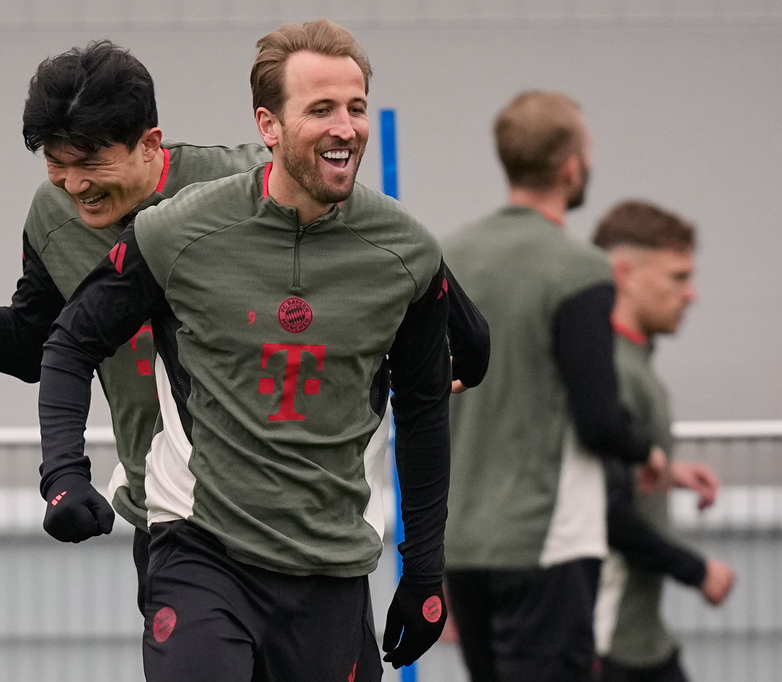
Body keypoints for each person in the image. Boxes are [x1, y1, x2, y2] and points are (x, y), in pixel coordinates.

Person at [37, 18, 490, 682]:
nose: (346, 127)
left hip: (328, 565)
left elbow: (423, 410)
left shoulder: (406, 251)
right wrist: (63, 474)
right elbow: (69, 341)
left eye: (356, 108)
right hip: (201, 550)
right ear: (268, 125)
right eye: (321, 109)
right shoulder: (177, 231)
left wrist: (424, 572)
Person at [0, 40, 271, 613]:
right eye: (57, 163)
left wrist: (431, 340)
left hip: (287, 510)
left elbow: (370, 261)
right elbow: (37, 347)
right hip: (168, 516)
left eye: (92, 163)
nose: (74, 185)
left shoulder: (252, 183)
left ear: (150, 143)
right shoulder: (53, 216)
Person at [439, 90, 666, 682]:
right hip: (547, 542)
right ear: (570, 165)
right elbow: (598, 417)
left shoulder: (451, 254)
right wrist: (649, 453)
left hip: (462, 543)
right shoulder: (579, 268)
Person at [592, 200, 735, 682]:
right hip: (606, 644)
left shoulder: (632, 360)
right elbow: (604, 511)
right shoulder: (609, 368)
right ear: (625, 274)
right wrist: (698, 571)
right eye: (677, 277)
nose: (691, 294)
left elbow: (607, 460)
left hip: (643, 639)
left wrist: (669, 470)